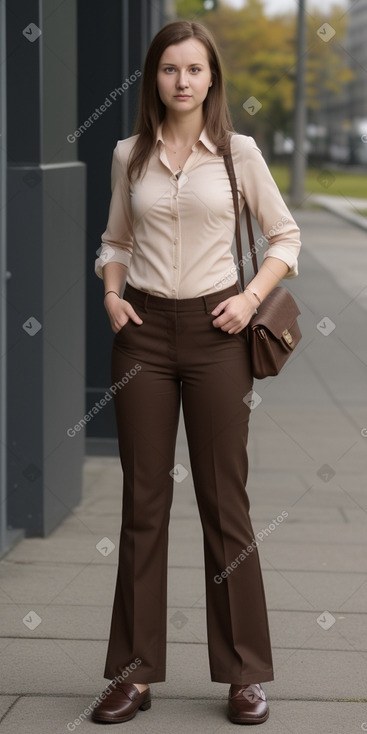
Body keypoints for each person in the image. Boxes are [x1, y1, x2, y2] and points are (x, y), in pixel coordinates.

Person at [92, 19, 301, 726]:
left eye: (194, 69)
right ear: (153, 78)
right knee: (142, 507)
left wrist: (248, 299)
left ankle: (243, 674)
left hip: (218, 334)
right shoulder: (129, 154)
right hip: (143, 335)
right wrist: (112, 295)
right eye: (168, 69)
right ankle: (132, 674)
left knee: (225, 504)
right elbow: (115, 239)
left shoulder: (237, 155)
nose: (182, 81)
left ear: (212, 78)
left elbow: (285, 235)